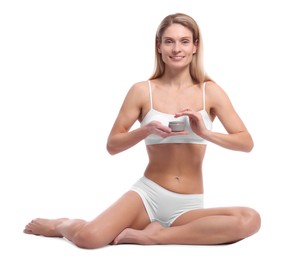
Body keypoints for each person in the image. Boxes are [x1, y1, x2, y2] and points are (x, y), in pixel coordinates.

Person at [23, 13, 261, 249]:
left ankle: (154, 236)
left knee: (251, 219)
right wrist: (145, 130)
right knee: (89, 238)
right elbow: (113, 145)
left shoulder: (211, 92)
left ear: (195, 47)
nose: (176, 48)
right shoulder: (141, 91)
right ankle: (61, 224)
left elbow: (246, 142)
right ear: (158, 46)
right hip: (148, 196)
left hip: (188, 206)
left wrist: (205, 133)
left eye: (184, 41)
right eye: (169, 41)